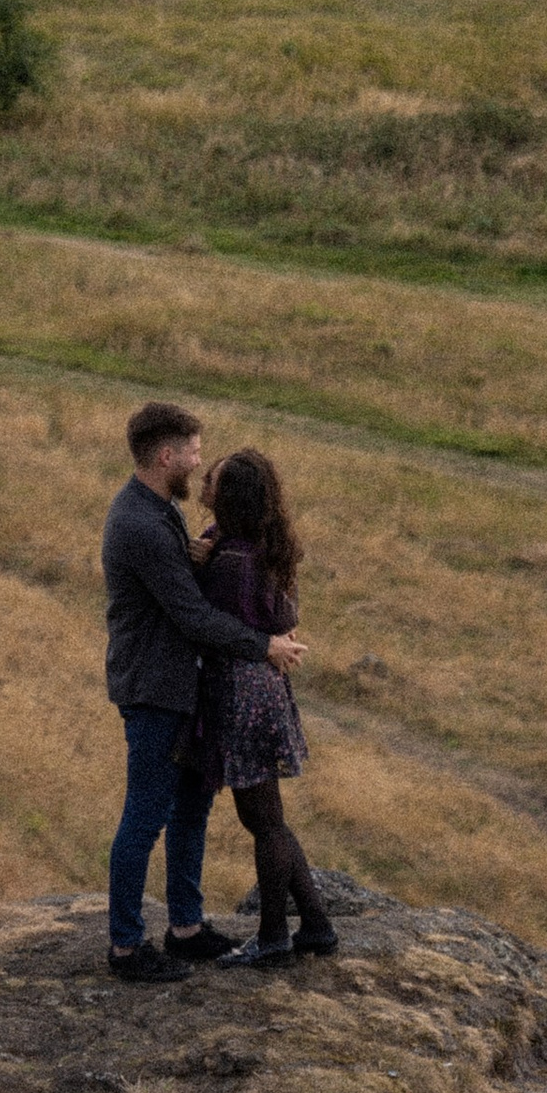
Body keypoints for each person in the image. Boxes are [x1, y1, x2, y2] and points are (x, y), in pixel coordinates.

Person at [102, 401, 307, 985]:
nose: (199, 460)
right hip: (153, 688)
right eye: (193, 450)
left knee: (191, 807)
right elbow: (191, 616)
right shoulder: (140, 523)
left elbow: (185, 594)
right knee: (145, 817)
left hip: (183, 686)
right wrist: (263, 646)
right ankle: (124, 947)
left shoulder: (158, 508)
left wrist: (197, 558)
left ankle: (186, 929)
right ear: (166, 456)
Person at [191, 450, 335, 967]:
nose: (204, 480)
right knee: (270, 818)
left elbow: (198, 617)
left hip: (240, 691)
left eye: (215, 479)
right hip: (265, 691)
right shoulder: (262, 550)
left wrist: (192, 558)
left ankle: (274, 934)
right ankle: (315, 924)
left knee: (264, 822)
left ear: (231, 497)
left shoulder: (229, 564)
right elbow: (285, 614)